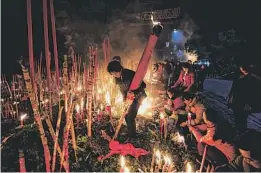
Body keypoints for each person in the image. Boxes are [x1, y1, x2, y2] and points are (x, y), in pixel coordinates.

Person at [107, 60, 147, 142]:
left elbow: (143, 85)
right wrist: (124, 99)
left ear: (119, 69)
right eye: (112, 74)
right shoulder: (117, 78)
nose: (114, 75)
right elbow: (123, 90)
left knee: (130, 116)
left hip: (137, 97)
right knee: (126, 115)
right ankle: (130, 133)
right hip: (128, 99)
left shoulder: (129, 74)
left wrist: (134, 93)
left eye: (114, 73)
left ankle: (132, 137)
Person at [227, 61, 261, 135]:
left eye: (244, 67)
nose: (242, 69)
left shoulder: (253, 78)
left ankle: (242, 133)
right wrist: (230, 97)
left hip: (244, 102)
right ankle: (239, 131)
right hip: (236, 101)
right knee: (237, 117)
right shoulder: (239, 76)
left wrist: (249, 103)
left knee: (242, 118)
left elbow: (253, 93)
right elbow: (234, 88)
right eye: (241, 67)